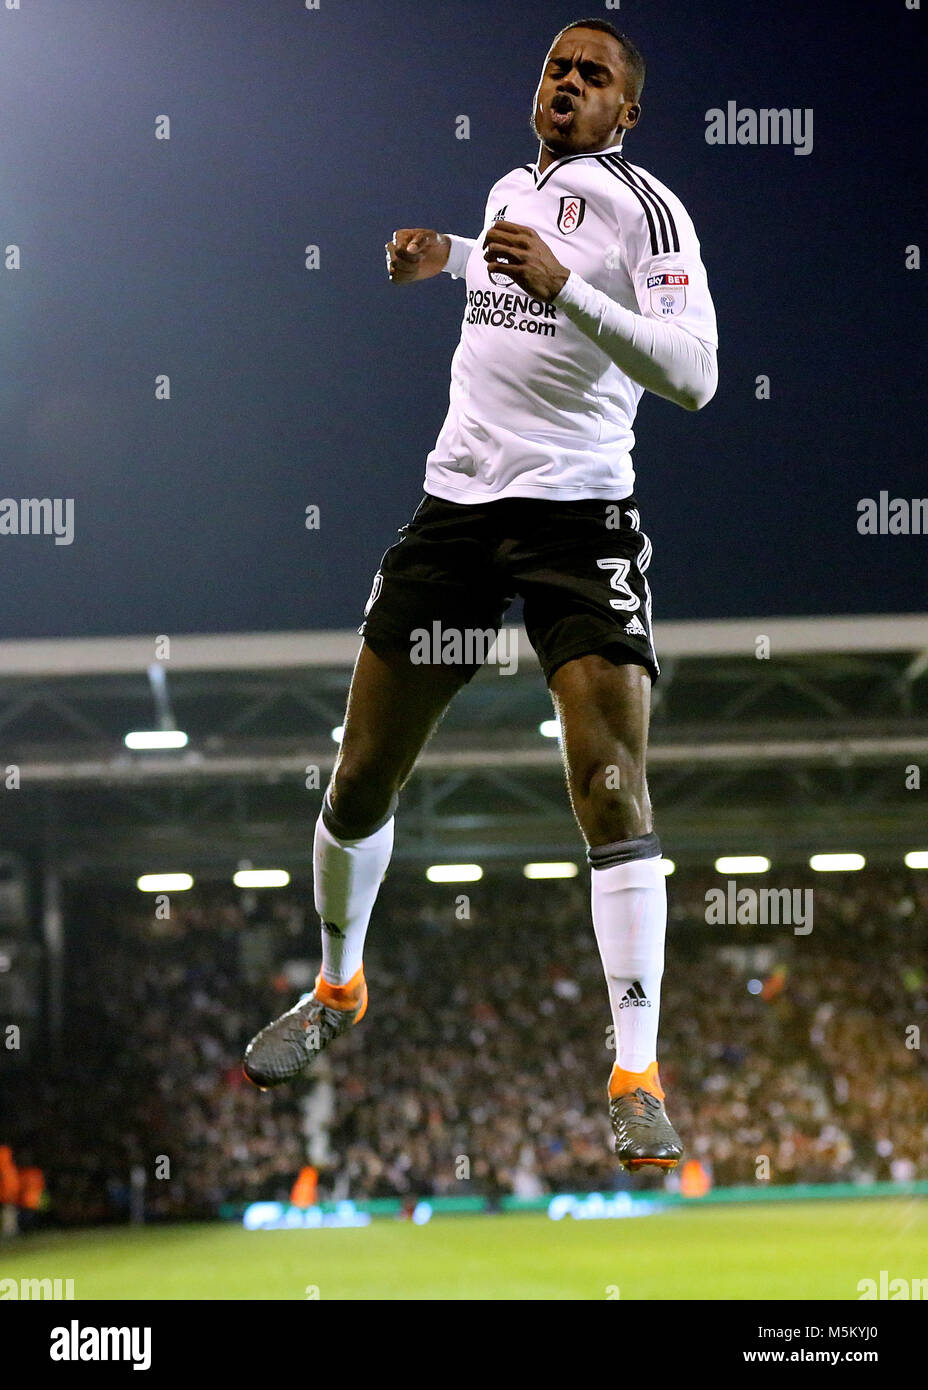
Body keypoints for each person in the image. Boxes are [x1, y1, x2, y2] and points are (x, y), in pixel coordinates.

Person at [245, 18, 718, 1171]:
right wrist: (450, 255)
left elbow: (697, 375)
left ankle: (636, 1069)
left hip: (578, 520)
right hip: (456, 512)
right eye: (557, 67)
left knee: (608, 781)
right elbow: (513, 277)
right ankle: (339, 986)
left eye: (592, 76)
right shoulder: (512, 182)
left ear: (626, 114)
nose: (567, 83)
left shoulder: (648, 210)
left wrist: (568, 290)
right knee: (360, 773)